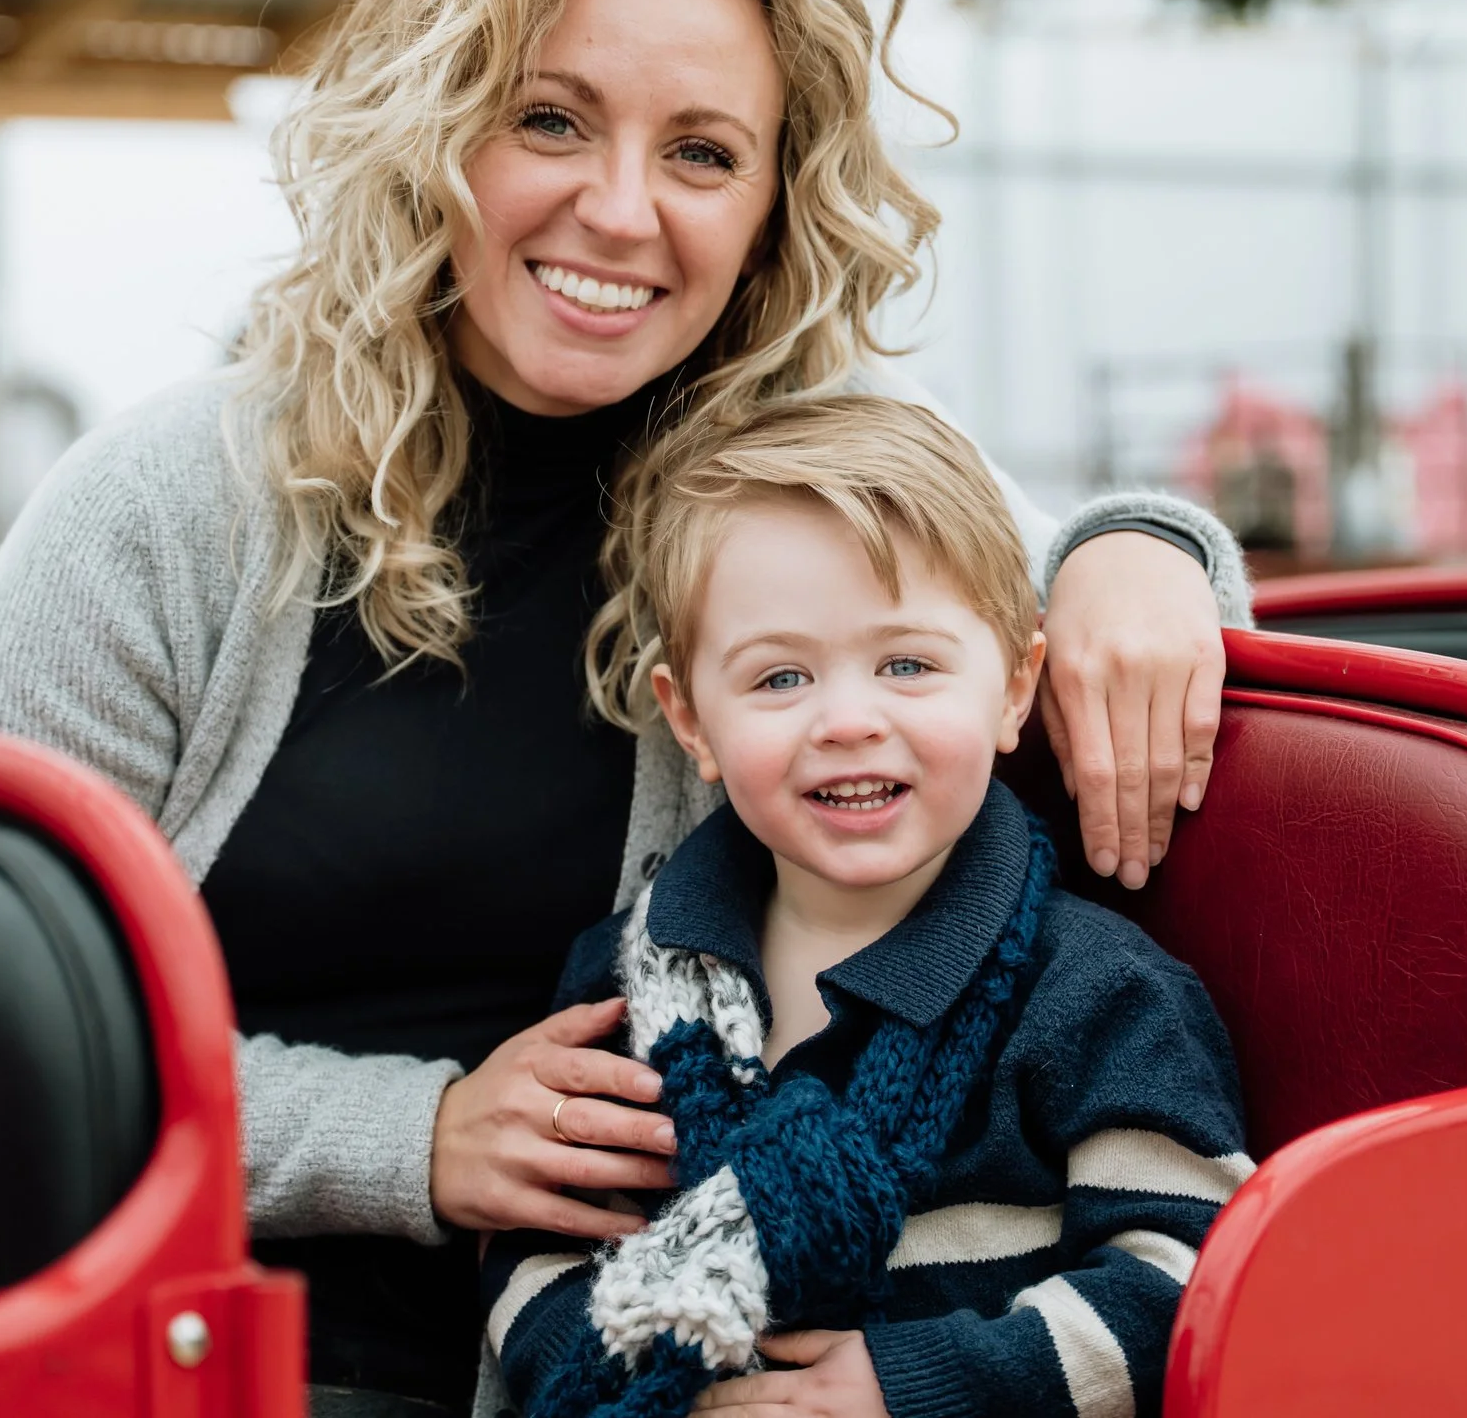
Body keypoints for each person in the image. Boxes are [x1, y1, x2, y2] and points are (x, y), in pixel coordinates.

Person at [0, 0, 1253, 1418]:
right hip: (194, 1332)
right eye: (551, 120)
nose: (623, 210)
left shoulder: (781, 470)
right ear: (437, 124)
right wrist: (411, 1140)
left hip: (628, 1347)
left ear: (774, 196)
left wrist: (1146, 546)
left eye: (701, 152)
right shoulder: (157, 512)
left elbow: (1037, 577)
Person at [482, 395, 1250, 1418]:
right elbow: (539, 1244)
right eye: (781, 676)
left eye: (906, 665)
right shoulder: (630, 981)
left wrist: (909, 1387)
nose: (848, 720)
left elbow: (1193, 1279)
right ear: (690, 719)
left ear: (1016, 687)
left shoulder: (1096, 994)